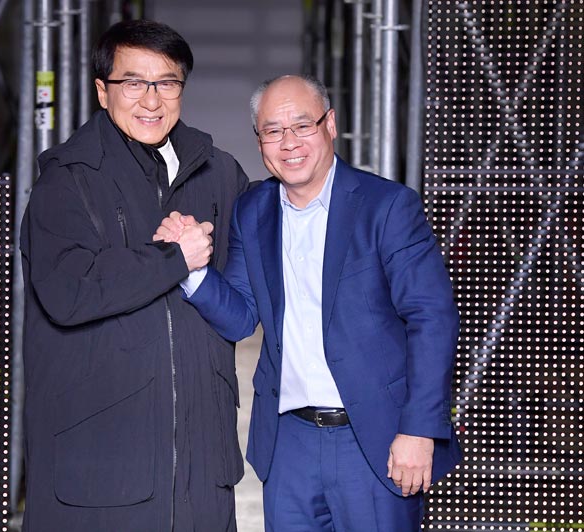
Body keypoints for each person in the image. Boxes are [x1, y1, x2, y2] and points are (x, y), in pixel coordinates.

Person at [155, 75, 463, 531]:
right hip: (289, 442)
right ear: (259, 141)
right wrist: (192, 269)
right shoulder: (252, 210)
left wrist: (419, 429)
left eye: (302, 125)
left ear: (330, 124)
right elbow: (241, 316)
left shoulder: (387, 206)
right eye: (273, 131)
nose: (289, 142)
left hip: (375, 439)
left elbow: (432, 318)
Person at [19, 19, 249, 532]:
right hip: (100, 472)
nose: (152, 99)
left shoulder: (221, 173)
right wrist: (174, 259)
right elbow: (68, 292)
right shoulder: (68, 179)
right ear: (103, 92)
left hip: (201, 469)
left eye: (167, 82)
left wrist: (199, 274)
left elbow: (243, 310)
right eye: (132, 82)